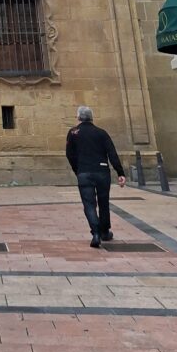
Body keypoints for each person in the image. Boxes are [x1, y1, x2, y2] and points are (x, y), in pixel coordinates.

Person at [66, 105, 126, 248]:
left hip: (84, 172)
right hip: (102, 172)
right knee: (104, 202)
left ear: (78, 118)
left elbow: (70, 154)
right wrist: (120, 172)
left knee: (89, 204)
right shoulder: (101, 133)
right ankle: (105, 231)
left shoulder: (73, 132)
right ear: (92, 118)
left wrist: (78, 170)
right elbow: (112, 153)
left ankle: (96, 233)